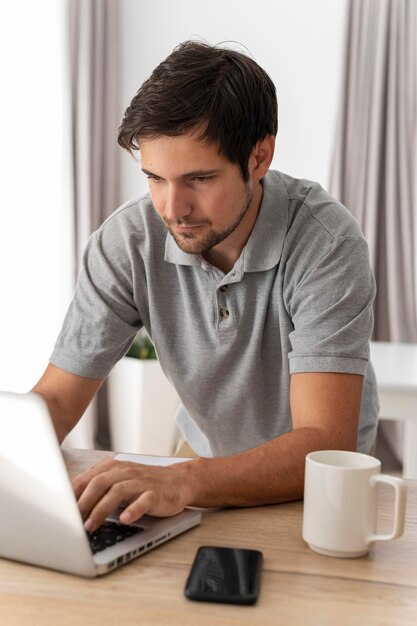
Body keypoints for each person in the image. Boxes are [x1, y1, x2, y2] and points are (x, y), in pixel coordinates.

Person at [32, 40, 378, 533]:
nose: (173, 209)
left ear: (259, 157)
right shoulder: (126, 242)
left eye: (198, 178)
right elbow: (58, 399)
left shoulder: (325, 243)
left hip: (319, 489)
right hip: (202, 460)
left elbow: (324, 443)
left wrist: (184, 481)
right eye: (155, 178)